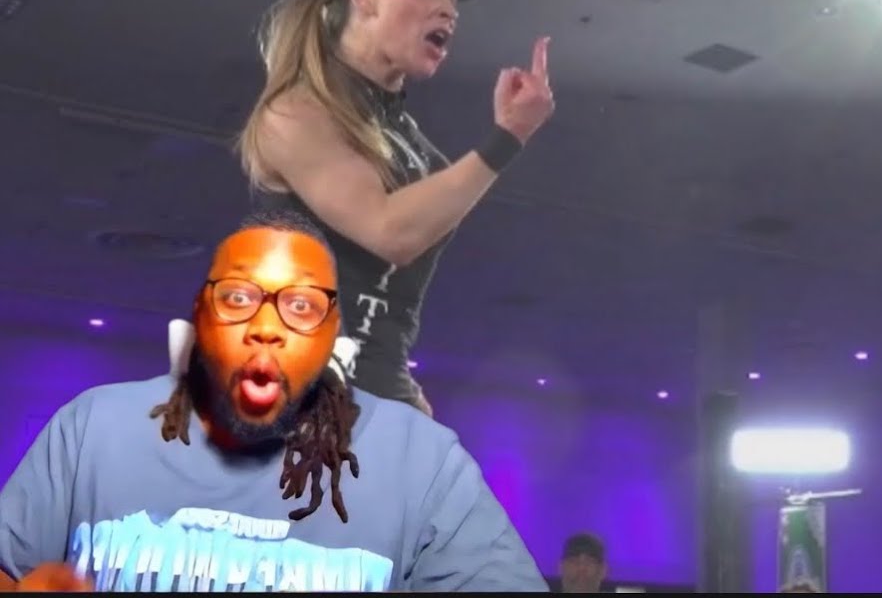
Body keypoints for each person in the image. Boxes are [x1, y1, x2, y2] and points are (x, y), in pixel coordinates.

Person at [0, 210, 548, 592]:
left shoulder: (422, 463)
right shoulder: (93, 430)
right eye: (238, 297)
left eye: (302, 305)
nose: (266, 327)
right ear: (200, 314)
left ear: (332, 332)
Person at [235, 0, 556, 416]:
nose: (448, 10)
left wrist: (407, 398)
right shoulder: (294, 112)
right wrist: (508, 136)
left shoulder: (414, 146)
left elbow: (393, 301)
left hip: (378, 395)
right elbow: (389, 231)